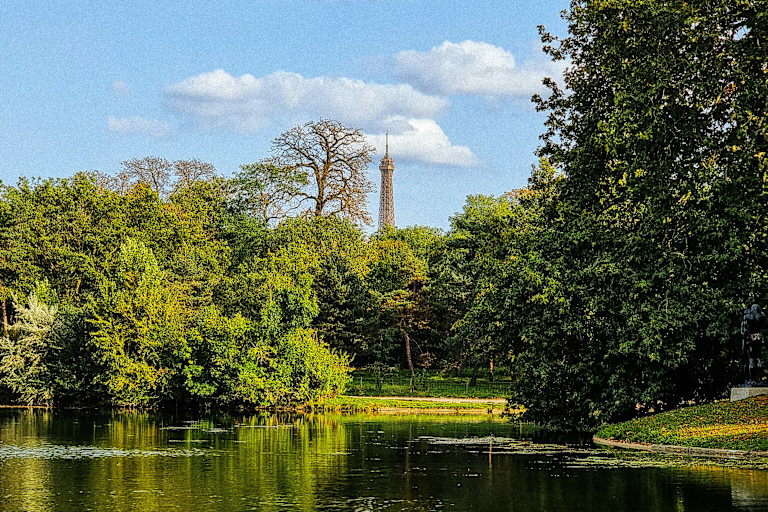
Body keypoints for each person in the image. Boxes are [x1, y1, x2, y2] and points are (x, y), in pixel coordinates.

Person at [741, 304, 766, 385]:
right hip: (758, 337)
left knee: (751, 359)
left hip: (750, 338)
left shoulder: (748, 316)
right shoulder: (762, 316)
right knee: (758, 358)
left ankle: (751, 379)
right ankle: (760, 379)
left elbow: (744, 331)